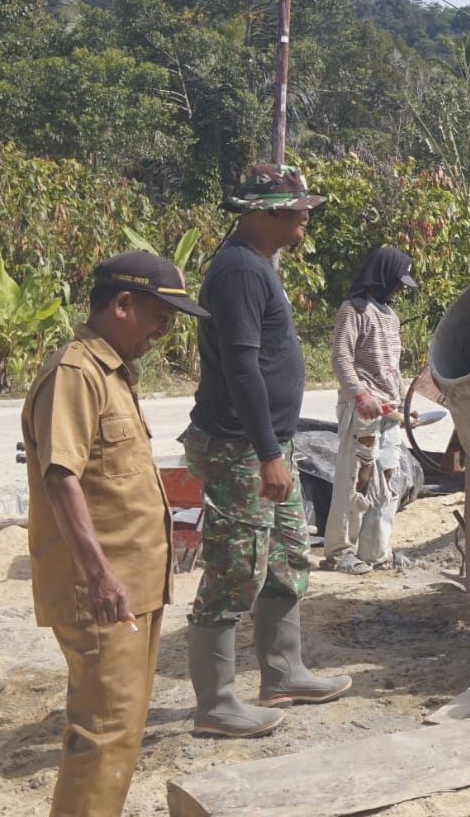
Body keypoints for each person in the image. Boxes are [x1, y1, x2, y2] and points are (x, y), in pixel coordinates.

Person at [22, 251, 210, 816]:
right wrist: (100, 574)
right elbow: (61, 478)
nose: (164, 331)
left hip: (133, 584)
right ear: (123, 304)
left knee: (121, 729)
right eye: (160, 316)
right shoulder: (75, 375)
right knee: (104, 733)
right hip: (102, 593)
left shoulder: (112, 374)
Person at [183, 164, 351, 738]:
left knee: (285, 558)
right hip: (239, 448)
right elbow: (241, 365)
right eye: (296, 207)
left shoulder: (257, 266)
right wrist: (265, 453)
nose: (306, 216)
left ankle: (283, 671)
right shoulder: (238, 271)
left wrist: (276, 445)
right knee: (235, 569)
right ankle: (216, 705)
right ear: (264, 213)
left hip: (265, 444)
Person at [322, 246, 418, 575]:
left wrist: (405, 406)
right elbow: (341, 358)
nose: (400, 289)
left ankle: (375, 550)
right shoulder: (353, 311)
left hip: (389, 412)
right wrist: (360, 394)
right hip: (363, 412)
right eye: (398, 282)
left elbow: (392, 367)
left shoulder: (390, 317)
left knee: (388, 479)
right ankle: (339, 551)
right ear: (383, 276)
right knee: (356, 479)